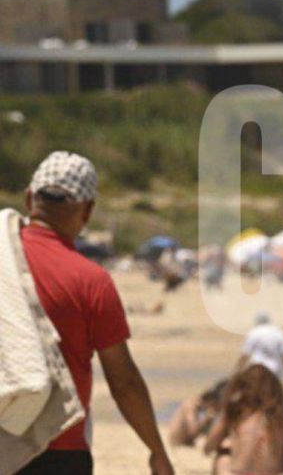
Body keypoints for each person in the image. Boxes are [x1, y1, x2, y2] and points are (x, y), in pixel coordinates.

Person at [16, 151, 174, 475]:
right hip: (58, 452)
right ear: (87, 211)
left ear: (30, 197)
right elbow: (123, 381)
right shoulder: (91, 281)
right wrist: (156, 450)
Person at [203, 365, 283, 475]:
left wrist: (229, 448)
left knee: (222, 459)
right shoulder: (281, 418)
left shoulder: (236, 413)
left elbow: (208, 448)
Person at [235, 313, 283, 387]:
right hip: (275, 371)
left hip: (256, 370)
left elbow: (245, 355)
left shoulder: (253, 333)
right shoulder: (280, 333)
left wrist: (237, 371)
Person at [167, 380, 227, 447]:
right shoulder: (191, 406)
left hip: (184, 442)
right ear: (212, 401)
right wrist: (206, 420)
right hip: (179, 442)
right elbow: (192, 432)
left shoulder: (197, 407)